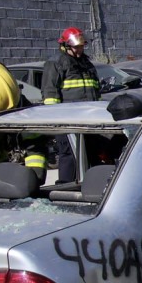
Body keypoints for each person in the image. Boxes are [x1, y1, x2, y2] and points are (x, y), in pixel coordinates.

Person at [42, 27, 101, 183]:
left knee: (89, 152)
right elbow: (50, 93)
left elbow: (95, 90)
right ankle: (65, 187)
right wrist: (56, 120)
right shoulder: (56, 63)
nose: (80, 49)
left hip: (90, 118)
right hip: (67, 119)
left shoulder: (86, 64)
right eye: (76, 47)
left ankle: (91, 185)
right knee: (68, 154)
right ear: (66, 46)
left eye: (81, 46)